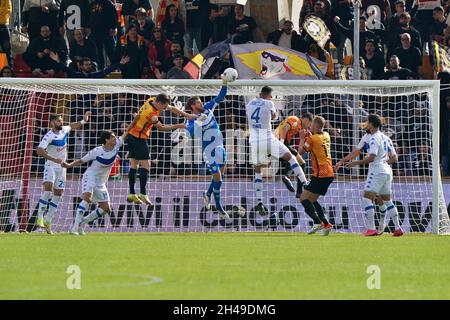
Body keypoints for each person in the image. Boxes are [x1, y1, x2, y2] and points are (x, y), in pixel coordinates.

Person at [336, 114, 403, 236]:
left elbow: (371, 158)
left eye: (367, 122)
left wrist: (356, 162)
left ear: (371, 124)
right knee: (387, 201)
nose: (365, 124)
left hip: (376, 171)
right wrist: (342, 161)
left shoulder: (373, 138)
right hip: (387, 171)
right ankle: (398, 228)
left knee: (367, 198)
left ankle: (371, 229)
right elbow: (394, 158)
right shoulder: (384, 138)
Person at [245, 86, 308, 216]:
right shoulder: (269, 103)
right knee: (290, 157)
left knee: (258, 171)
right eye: (271, 96)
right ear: (268, 95)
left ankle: (259, 202)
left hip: (254, 141)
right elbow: (274, 117)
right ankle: (305, 183)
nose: (272, 98)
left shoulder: (250, 103)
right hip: (268, 138)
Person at [126, 94, 196, 205]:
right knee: (146, 165)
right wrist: (178, 125)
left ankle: (131, 193)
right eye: (163, 107)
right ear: (159, 104)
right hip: (139, 138)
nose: (164, 109)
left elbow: (172, 108)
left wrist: (186, 115)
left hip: (131, 136)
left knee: (134, 165)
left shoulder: (152, 100)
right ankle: (143, 194)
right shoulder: (152, 114)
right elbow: (161, 128)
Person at [185, 76, 235, 218]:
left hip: (220, 147)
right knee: (218, 177)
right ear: (193, 107)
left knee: (221, 177)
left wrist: (224, 83)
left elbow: (220, 96)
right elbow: (191, 133)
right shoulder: (191, 120)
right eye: (199, 103)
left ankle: (207, 194)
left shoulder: (208, 108)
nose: (202, 104)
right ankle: (219, 207)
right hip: (209, 151)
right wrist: (198, 122)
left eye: (201, 102)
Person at [64, 130, 128, 235]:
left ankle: (83, 221)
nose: (115, 138)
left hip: (101, 182)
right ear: (107, 140)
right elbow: (81, 161)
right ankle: (74, 228)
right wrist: (69, 165)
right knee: (87, 198)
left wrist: (136, 119)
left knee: (106, 208)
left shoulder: (116, 146)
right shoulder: (96, 151)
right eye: (112, 137)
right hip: (90, 176)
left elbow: (127, 132)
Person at [36, 112, 91, 234]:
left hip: (62, 168)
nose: (61, 122)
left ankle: (48, 220)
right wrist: (54, 159)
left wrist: (84, 121)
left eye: (61, 120)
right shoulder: (48, 136)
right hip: (51, 165)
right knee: (48, 189)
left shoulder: (64, 130)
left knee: (58, 194)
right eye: (58, 121)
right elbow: (39, 151)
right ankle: (39, 216)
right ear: (52, 122)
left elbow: (72, 125)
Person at [297, 116, 334, 235]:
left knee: (303, 198)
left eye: (312, 125)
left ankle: (318, 222)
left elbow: (300, 152)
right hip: (329, 173)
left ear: (316, 126)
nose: (310, 126)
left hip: (320, 174)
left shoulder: (312, 139)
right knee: (312, 200)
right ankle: (326, 224)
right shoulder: (326, 135)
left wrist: (302, 138)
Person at [274, 115, 307, 197]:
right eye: (310, 124)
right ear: (306, 120)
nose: (309, 126)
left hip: (280, 143)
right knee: (301, 162)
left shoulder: (299, 127)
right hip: (279, 142)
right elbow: (284, 128)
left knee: (298, 161)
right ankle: (299, 191)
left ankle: (288, 179)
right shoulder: (296, 120)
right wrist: (281, 143)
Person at [49, 52, 130, 78]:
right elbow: (66, 69)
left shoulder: (94, 75)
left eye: (89, 64)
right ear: (81, 66)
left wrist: (119, 64)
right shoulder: (77, 75)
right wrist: (57, 60)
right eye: (86, 65)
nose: (88, 66)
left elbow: (106, 71)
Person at [88, 0, 118, 69]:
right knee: (98, 51)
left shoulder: (108, 3)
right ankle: (101, 68)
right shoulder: (92, 4)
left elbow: (114, 17)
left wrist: (113, 27)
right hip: (94, 31)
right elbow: (89, 16)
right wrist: (88, 26)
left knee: (110, 50)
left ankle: (115, 67)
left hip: (106, 31)